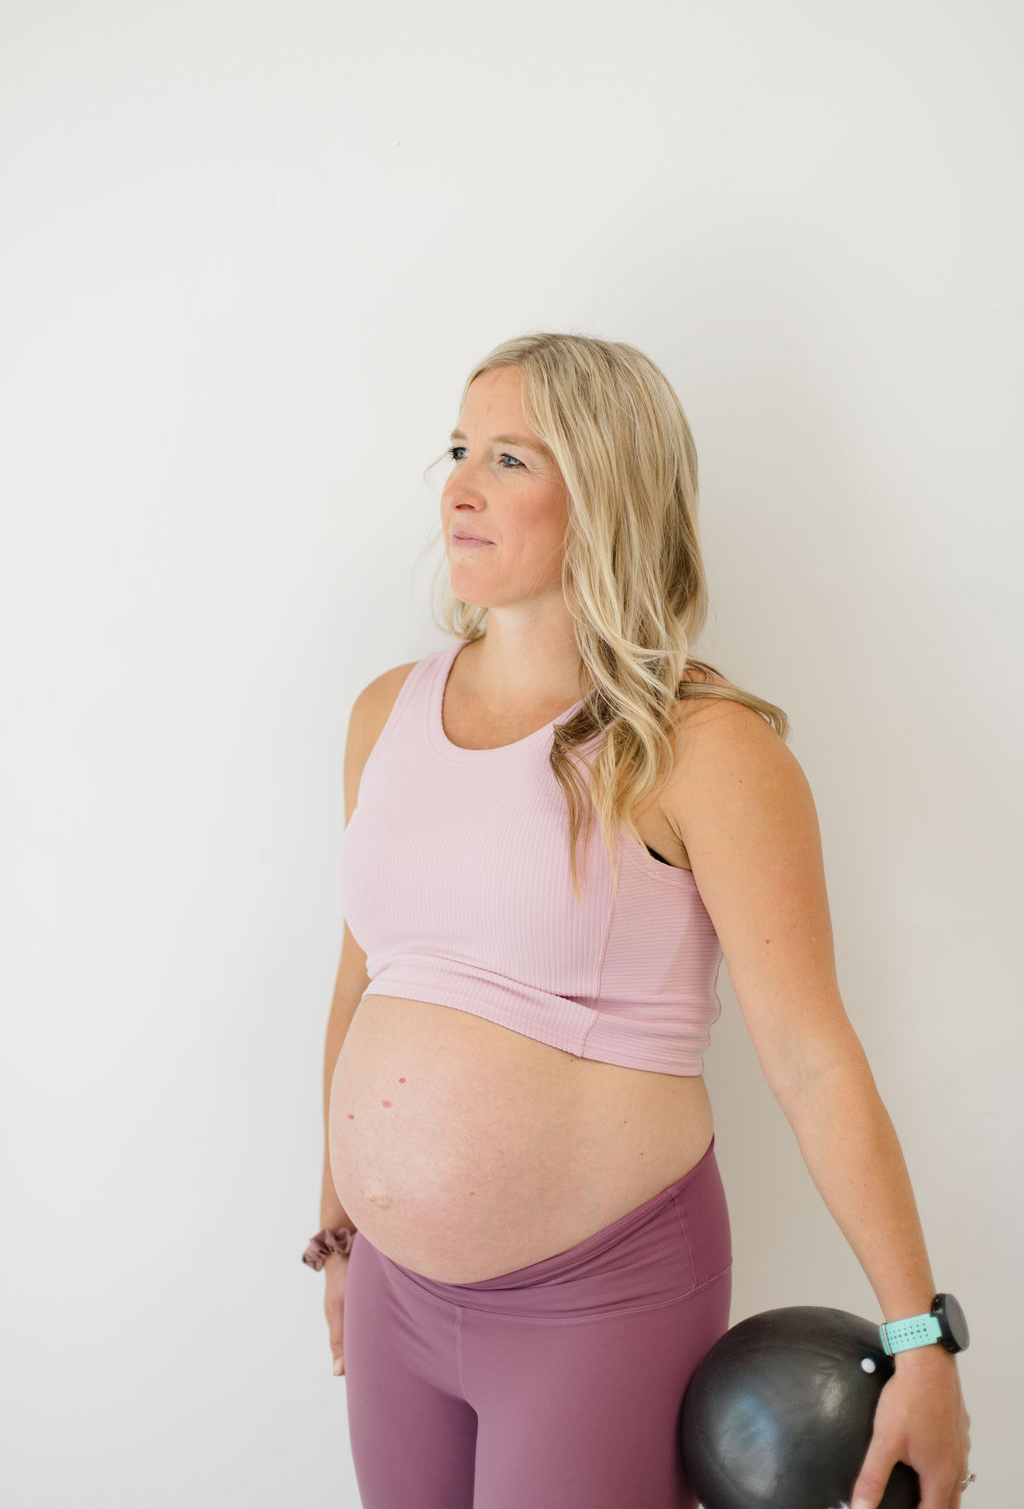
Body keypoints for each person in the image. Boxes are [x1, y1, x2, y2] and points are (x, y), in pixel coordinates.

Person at [303, 332, 972, 1509]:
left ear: (605, 488)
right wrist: (340, 1219)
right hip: (394, 1295)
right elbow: (370, 978)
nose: (458, 485)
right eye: (458, 448)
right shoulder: (382, 714)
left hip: (593, 1303)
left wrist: (920, 1335)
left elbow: (811, 1061)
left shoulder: (703, 748)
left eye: (509, 458)